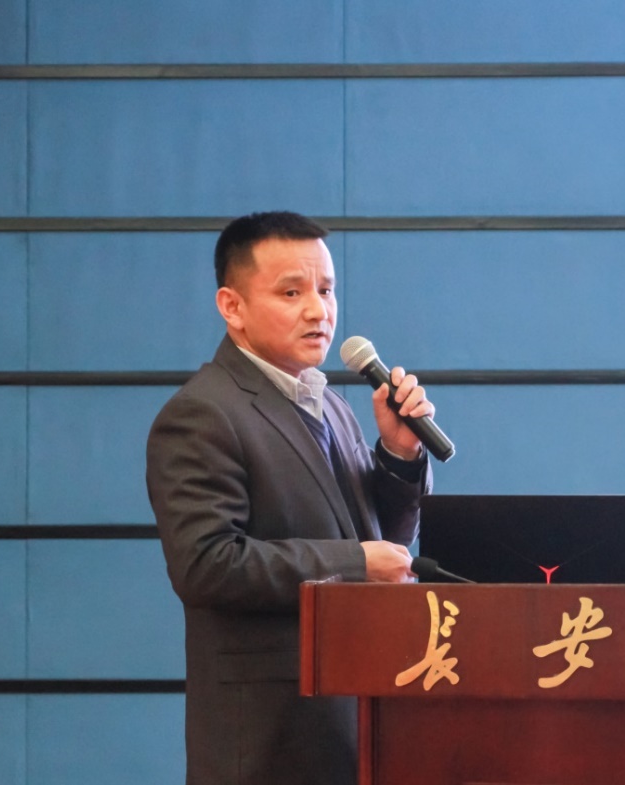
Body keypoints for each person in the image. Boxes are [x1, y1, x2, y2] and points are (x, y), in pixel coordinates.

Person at [146, 211, 434, 785]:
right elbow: (207, 565)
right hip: (269, 739)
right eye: (292, 292)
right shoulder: (203, 413)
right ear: (232, 306)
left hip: (353, 714)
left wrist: (399, 455)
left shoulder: (331, 405)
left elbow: (383, 544)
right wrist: (356, 563)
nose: (318, 311)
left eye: (326, 290)